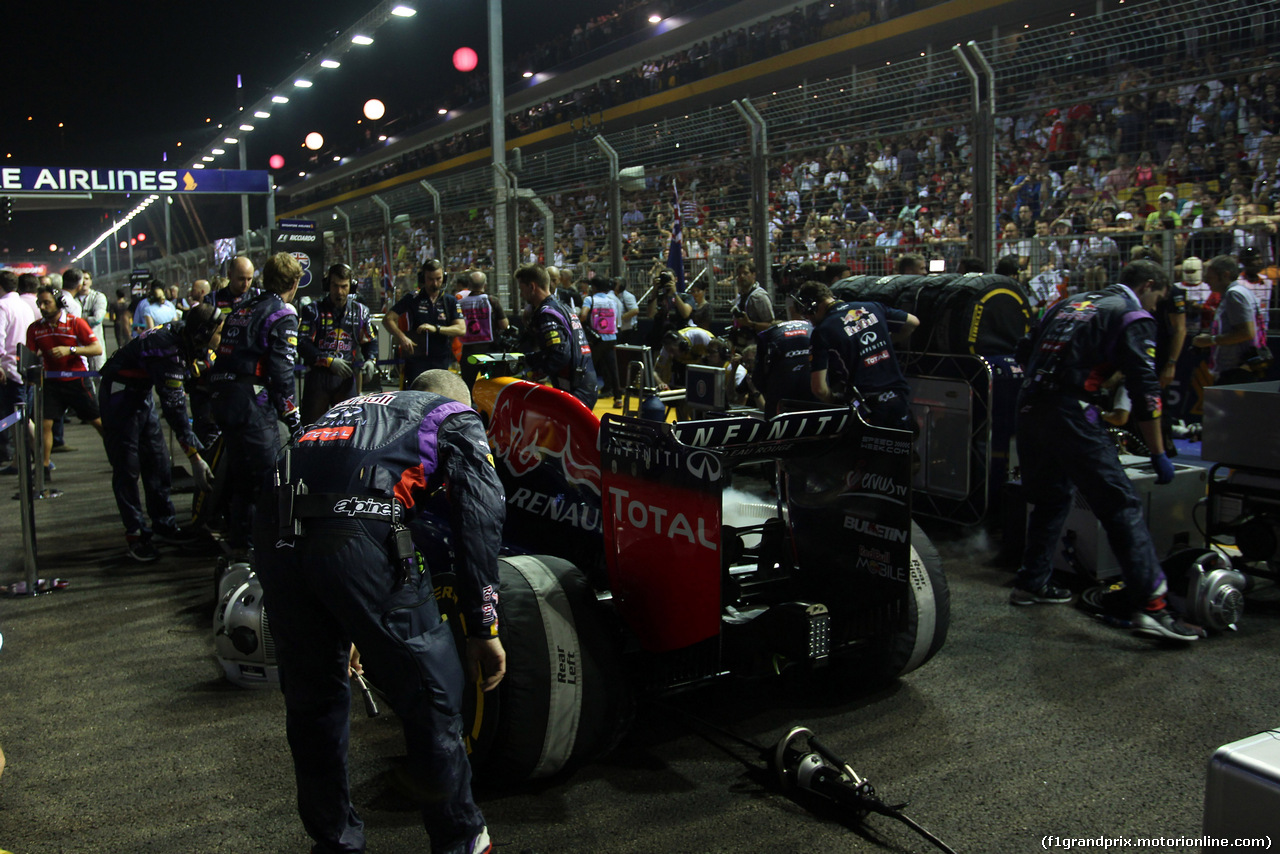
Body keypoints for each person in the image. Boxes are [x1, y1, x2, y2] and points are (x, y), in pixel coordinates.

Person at [254, 369, 504, 854]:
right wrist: (483, 623)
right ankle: (462, 839)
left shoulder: (344, 410)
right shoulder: (453, 414)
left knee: (312, 701)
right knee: (433, 694)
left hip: (274, 536)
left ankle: (335, 841)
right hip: (357, 535)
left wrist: (343, 619)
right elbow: (480, 515)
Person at [1011, 259, 1199, 642]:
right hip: (1073, 410)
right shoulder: (1133, 315)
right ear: (1148, 286)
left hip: (1029, 407)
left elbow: (1023, 351)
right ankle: (1152, 608)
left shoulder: (1069, 303)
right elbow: (1146, 390)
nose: (1155, 309)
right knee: (1121, 505)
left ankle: (1031, 583)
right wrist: (1159, 451)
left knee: (1051, 499)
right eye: (1158, 299)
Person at [99, 304, 222, 562]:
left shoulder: (182, 333)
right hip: (119, 395)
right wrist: (195, 458)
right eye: (218, 333)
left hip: (140, 393)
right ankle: (136, 534)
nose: (220, 339)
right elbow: (176, 409)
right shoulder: (168, 350)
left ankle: (163, 524)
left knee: (157, 460)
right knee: (127, 467)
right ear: (202, 332)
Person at [209, 252, 304, 558]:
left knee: (240, 475)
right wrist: (292, 415)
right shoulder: (282, 313)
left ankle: (240, 543)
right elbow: (281, 371)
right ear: (293, 282)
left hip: (223, 395)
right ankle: (263, 552)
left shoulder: (242, 307)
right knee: (267, 478)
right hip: (251, 401)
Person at [795, 280, 918, 430]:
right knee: (901, 446)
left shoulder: (823, 332)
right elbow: (913, 322)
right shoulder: (872, 307)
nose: (808, 319)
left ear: (811, 306)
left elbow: (819, 389)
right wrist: (887, 341)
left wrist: (836, 401)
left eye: (805, 313)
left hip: (867, 405)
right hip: (899, 394)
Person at [26, 285, 104, 475]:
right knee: (45, 424)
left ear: (59, 303)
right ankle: (43, 467)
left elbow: (97, 349)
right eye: (40, 303)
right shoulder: (35, 328)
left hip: (77, 380)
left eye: (47, 303)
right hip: (51, 383)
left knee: (97, 421)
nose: (42, 307)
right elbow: (29, 356)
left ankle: (118, 455)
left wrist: (70, 350)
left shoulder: (76, 323)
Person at [297, 263, 378, 425]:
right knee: (311, 428)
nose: (339, 292)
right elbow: (302, 343)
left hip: (346, 378)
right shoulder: (313, 310)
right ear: (328, 285)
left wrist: (371, 360)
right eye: (335, 286)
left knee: (349, 428)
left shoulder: (360, 311)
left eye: (344, 286)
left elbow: (371, 341)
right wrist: (329, 361)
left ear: (351, 287)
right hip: (318, 378)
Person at [515, 263, 598, 408]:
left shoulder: (547, 313)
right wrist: (527, 359)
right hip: (583, 381)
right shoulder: (560, 306)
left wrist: (533, 373)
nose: (521, 295)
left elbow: (559, 355)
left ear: (532, 287)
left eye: (521, 289)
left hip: (576, 388)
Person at [383, 259, 466, 384]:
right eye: (430, 279)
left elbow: (461, 329)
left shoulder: (449, 301)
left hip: (441, 358)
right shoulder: (412, 298)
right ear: (423, 278)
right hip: (416, 359)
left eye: (438, 279)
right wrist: (402, 337)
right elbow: (388, 319)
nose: (435, 283)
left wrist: (436, 329)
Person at [1192, 254, 1264, 385]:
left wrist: (1210, 340)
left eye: (1210, 277)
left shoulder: (1234, 294)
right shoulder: (1238, 292)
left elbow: (1246, 332)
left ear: (1225, 275)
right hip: (1237, 369)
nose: (1206, 281)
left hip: (1236, 371)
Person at [748, 300, 816, 416]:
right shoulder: (811, 328)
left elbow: (758, 380)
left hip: (781, 403)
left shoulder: (768, 336)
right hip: (814, 398)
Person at [0, 270, 37, 472]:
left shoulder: (2, 306)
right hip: (25, 367)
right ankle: (28, 460)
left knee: (19, 416)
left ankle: (39, 459)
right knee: (22, 416)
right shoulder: (25, 306)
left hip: (10, 370)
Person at [457, 270, 509, 389]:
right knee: (491, 387)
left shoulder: (460, 303)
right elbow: (504, 325)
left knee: (467, 386)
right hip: (490, 352)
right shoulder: (491, 301)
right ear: (485, 285)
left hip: (469, 352)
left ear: (469, 286)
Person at [580, 277, 624, 407]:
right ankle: (618, 399)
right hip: (611, 338)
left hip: (597, 340)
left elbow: (583, 315)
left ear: (593, 287)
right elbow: (617, 321)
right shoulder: (613, 301)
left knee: (588, 367)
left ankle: (585, 397)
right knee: (613, 369)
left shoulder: (590, 299)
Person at [730, 260, 774, 334]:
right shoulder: (742, 295)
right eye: (739, 274)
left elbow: (771, 325)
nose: (742, 276)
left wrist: (749, 323)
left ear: (754, 275)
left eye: (745, 273)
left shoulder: (759, 296)